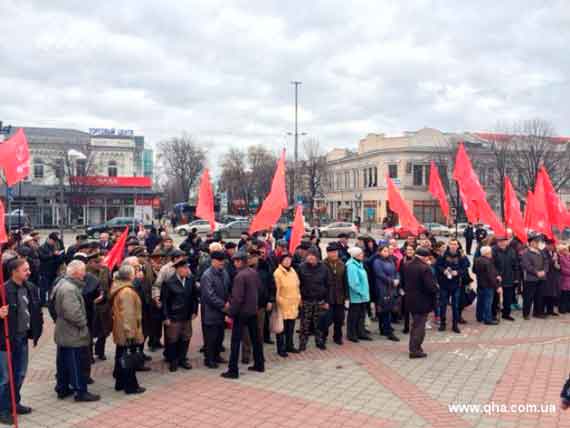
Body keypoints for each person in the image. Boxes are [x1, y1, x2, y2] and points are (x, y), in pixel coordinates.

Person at [0, 259, 43, 425]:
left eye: (29, 269)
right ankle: (3, 409)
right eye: (25, 270)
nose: (29, 272)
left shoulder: (30, 288)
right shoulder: (3, 290)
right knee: (5, 378)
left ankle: (14, 403)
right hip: (5, 342)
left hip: (23, 338)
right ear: (14, 272)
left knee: (20, 374)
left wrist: (37, 329)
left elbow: (35, 309)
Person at [52, 260, 100, 402]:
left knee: (63, 363)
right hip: (72, 333)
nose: (85, 274)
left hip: (65, 331)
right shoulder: (69, 289)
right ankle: (80, 391)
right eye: (83, 271)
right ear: (76, 272)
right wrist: (83, 324)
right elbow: (73, 313)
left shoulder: (64, 284)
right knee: (75, 363)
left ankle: (62, 388)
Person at [221, 251, 265, 379]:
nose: (234, 263)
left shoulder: (240, 276)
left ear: (240, 261)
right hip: (252, 311)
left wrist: (230, 313)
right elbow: (260, 290)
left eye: (235, 261)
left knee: (235, 342)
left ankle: (233, 370)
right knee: (256, 340)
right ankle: (259, 364)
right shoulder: (253, 273)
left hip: (241, 313)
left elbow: (237, 298)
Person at [109, 264, 145, 395]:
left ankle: (120, 383)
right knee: (128, 359)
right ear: (130, 275)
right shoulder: (127, 292)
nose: (137, 273)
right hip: (126, 332)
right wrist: (131, 334)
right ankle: (131, 386)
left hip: (120, 330)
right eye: (135, 271)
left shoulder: (119, 286)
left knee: (120, 356)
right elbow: (128, 315)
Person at [161, 258, 199, 372]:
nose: (187, 270)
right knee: (173, 339)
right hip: (174, 317)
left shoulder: (190, 280)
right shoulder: (169, 282)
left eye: (187, 267)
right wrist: (166, 317)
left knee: (186, 337)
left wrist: (194, 311)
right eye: (184, 268)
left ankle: (182, 359)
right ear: (177, 269)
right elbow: (165, 302)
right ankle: (173, 361)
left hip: (187, 315)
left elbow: (194, 297)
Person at [400, 247, 439, 358]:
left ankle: (413, 347)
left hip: (410, 299)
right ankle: (415, 350)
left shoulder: (406, 264)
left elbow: (403, 282)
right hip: (422, 301)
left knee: (415, 324)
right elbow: (430, 286)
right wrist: (436, 288)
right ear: (424, 257)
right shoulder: (425, 268)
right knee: (419, 326)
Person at [200, 251, 230, 369]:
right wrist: (223, 305)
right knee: (210, 337)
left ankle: (217, 356)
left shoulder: (224, 273)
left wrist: (228, 303)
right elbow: (209, 296)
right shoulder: (207, 275)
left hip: (222, 312)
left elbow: (228, 288)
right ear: (213, 261)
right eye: (220, 260)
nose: (222, 263)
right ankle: (209, 359)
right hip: (210, 312)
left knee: (219, 336)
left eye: (223, 260)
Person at [297, 248, 329, 351]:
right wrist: (299, 299)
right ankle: (302, 343)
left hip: (320, 300)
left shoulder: (324, 268)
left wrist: (327, 301)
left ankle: (319, 341)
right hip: (306, 300)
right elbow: (297, 285)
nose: (310, 257)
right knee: (304, 324)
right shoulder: (301, 267)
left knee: (319, 323)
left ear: (317, 257)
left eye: (313, 255)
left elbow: (328, 285)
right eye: (309, 255)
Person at [435, 239, 470, 334]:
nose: (453, 246)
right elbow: (438, 266)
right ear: (448, 245)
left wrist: (457, 272)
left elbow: (465, 267)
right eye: (451, 244)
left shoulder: (461, 255)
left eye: (455, 244)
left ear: (458, 246)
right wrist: (444, 271)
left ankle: (455, 325)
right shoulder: (443, 254)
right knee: (443, 305)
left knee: (455, 305)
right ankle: (443, 323)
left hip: (456, 284)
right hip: (444, 284)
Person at [274, 253, 301, 356]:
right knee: (281, 329)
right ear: (281, 261)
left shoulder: (293, 271)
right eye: (286, 260)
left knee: (291, 328)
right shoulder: (277, 273)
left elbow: (297, 286)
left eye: (289, 260)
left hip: (293, 304)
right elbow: (277, 290)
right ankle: (281, 349)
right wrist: (280, 301)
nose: (288, 262)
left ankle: (290, 345)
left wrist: (298, 298)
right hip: (283, 305)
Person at [372, 245, 400, 341]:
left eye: (387, 251)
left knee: (388, 308)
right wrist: (392, 281)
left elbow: (396, 271)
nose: (386, 252)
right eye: (384, 251)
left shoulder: (390, 260)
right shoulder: (377, 262)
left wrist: (397, 279)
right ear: (379, 252)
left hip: (391, 287)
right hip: (382, 288)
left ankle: (384, 329)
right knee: (385, 309)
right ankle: (388, 331)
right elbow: (380, 274)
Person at [322, 243, 347, 345]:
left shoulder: (342, 264)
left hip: (339, 296)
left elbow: (345, 281)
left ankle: (338, 337)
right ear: (328, 253)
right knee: (326, 319)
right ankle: (322, 337)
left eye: (335, 252)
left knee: (339, 318)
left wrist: (346, 297)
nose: (334, 254)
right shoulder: (323, 264)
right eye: (331, 252)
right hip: (328, 296)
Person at [346, 247, 372, 342]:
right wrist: (361, 292)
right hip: (356, 296)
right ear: (355, 255)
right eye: (360, 254)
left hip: (363, 296)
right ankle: (351, 334)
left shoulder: (359, 264)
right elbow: (353, 283)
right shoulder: (351, 266)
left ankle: (361, 332)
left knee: (361, 316)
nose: (362, 255)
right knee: (354, 316)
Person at [521, 235, 548, 320]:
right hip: (531, 279)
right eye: (536, 242)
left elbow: (546, 262)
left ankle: (538, 312)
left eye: (538, 242)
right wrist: (536, 272)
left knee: (539, 296)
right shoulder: (526, 253)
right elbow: (527, 265)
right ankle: (526, 314)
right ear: (531, 243)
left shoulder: (541, 252)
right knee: (528, 297)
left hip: (541, 278)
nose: (538, 243)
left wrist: (544, 271)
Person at [492, 237, 519, 321]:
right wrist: (496, 275)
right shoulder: (493, 250)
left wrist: (516, 277)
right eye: (500, 241)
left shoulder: (512, 251)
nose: (502, 243)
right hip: (497, 279)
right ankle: (493, 314)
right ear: (497, 242)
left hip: (509, 278)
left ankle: (506, 314)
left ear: (507, 242)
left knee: (508, 298)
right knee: (495, 298)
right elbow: (491, 266)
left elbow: (516, 265)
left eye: (504, 241)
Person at [473, 246, 502, 325]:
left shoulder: (477, 260)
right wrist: (497, 286)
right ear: (487, 253)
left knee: (480, 302)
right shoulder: (488, 262)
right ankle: (487, 319)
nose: (491, 253)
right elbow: (490, 276)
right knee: (488, 303)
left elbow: (474, 270)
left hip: (480, 284)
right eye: (490, 252)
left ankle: (479, 317)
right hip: (488, 286)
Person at [38, 232, 65, 306]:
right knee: (43, 287)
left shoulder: (54, 246)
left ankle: (50, 300)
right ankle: (43, 301)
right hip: (45, 270)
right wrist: (53, 254)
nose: (54, 243)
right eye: (53, 241)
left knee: (51, 286)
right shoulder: (42, 247)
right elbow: (42, 257)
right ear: (49, 239)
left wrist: (59, 255)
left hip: (53, 270)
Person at [543, 239, 560, 317]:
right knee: (547, 294)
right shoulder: (543, 252)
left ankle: (551, 310)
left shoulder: (555, 253)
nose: (552, 247)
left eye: (553, 245)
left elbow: (558, 264)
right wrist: (552, 260)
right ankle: (546, 310)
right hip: (547, 276)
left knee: (553, 294)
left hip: (554, 276)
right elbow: (544, 263)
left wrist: (558, 265)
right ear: (546, 245)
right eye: (550, 245)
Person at [559, 244, 570, 314]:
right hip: (564, 279)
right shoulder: (561, 258)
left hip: (569, 279)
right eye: (564, 250)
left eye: (566, 249)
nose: (565, 251)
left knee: (569, 295)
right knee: (564, 295)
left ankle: (568, 308)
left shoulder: (569, 257)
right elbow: (563, 269)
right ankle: (562, 309)